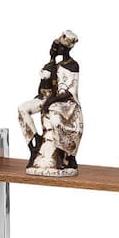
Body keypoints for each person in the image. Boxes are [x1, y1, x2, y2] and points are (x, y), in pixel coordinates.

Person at [18, 30, 83, 176]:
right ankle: (34, 144)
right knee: (23, 108)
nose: (55, 49)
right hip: (49, 98)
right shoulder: (54, 65)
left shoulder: (73, 66)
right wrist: (48, 69)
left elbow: (70, 92)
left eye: (58, 47)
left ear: (64, 48)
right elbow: (44, 89)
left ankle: (61, 154)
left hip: (66, 102)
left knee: (55, 116)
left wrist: (50, 101)